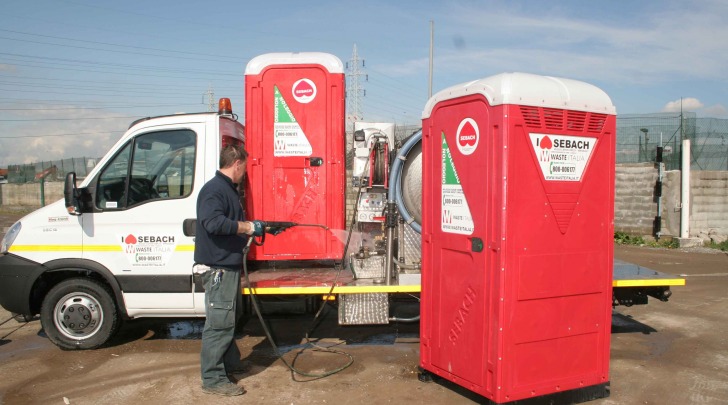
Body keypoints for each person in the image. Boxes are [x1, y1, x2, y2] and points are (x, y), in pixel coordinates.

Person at [194, 144, 263, 397]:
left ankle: (231, 363)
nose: (244, 173)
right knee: (219, 325)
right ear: (236, 164)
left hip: (227, 266)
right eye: (244, 168)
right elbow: (212, 223)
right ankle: (213, 379)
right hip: (218, 269)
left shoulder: (226, 189)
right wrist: (245, 228)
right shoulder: (214, 190)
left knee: (228, 321)